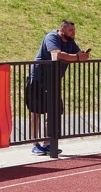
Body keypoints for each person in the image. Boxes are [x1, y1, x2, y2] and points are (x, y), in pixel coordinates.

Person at [25, 20, 90, 155]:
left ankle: (48, 143)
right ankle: (35, 144)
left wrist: (82, 56)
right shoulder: (52, 37)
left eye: (74, 30)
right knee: (36, 112)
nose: (73, 33)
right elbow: (57, 54)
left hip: (52, 81)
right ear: (62, 29)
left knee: (54, 111)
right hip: (38, 78)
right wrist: (77, 57)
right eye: (70, 30)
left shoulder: (71, 42)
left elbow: (78, 54)